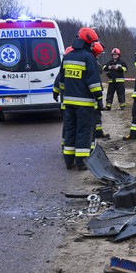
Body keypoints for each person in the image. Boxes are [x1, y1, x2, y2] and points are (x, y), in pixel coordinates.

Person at [52, 27, 103, 170]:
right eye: (92, 43)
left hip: (68, 102)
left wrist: (58, 92)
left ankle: (69, 161)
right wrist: (99, 97)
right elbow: (93, 82)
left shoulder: (68, 57)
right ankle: (81, 162)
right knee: (83, 131)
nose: (93, 45)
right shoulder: (89, 58)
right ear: (87, 42)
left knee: (70, 130)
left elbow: (61, 80)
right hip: (84, 103)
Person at [91, 42, 110, 139]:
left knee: (97, 112)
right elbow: (99, 70)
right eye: (99, 53)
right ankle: (93, 133)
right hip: (93, 92)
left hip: (95, 90)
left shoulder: (93, 60)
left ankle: (98, 131)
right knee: (94, 112)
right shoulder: (91, 61)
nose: (100, 55)